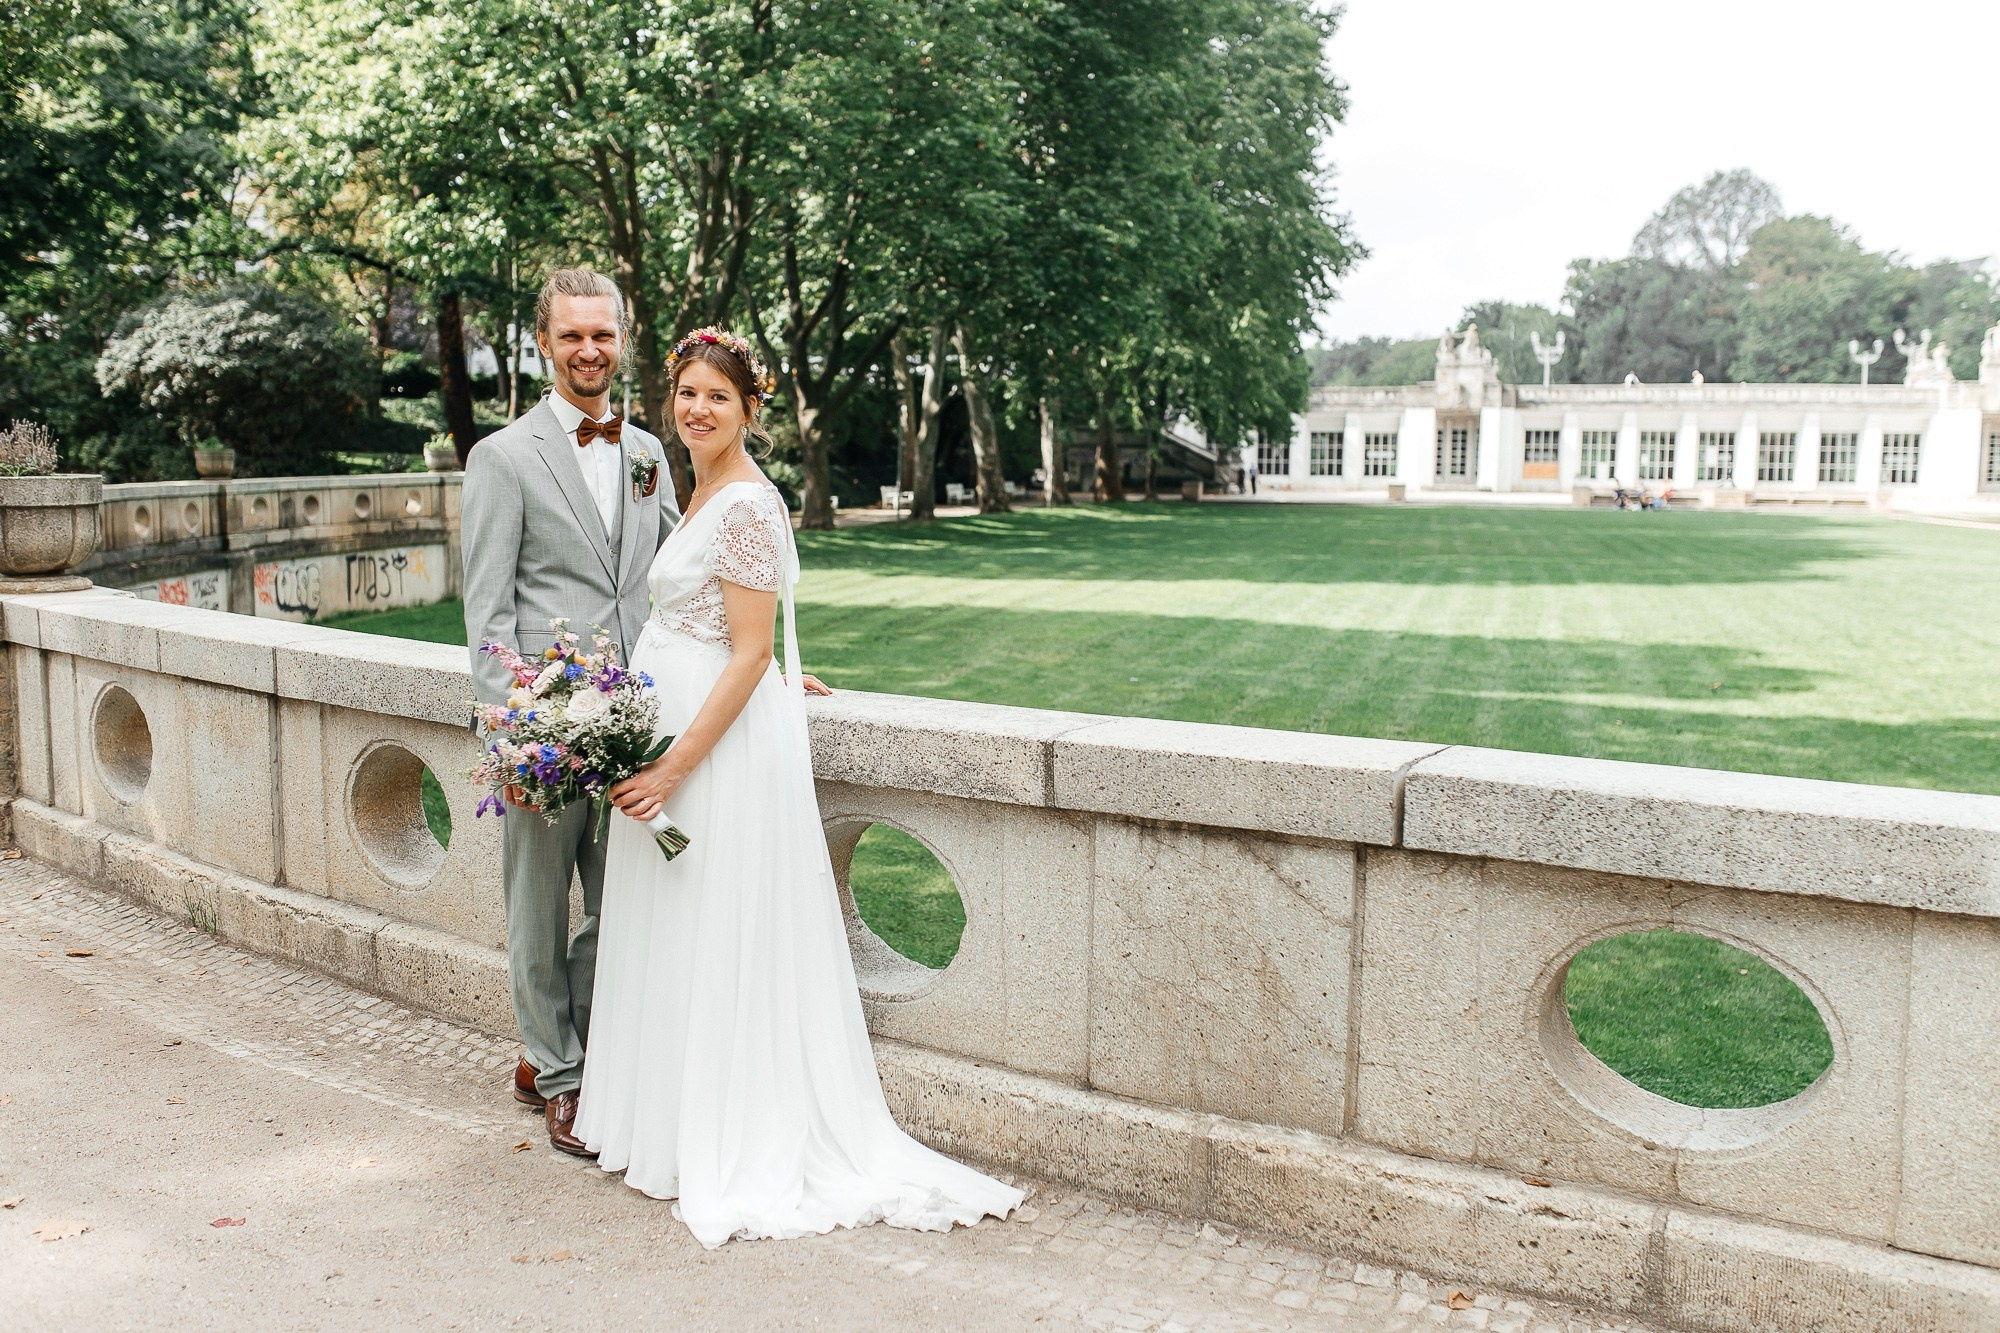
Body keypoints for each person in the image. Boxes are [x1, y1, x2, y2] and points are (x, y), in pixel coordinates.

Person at [574, 327, 1022, 1247]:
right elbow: (745, 635)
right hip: (678, 711)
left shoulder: (743, 505)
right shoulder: (703, 488)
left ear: (749, 411)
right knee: (677, 924)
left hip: (706, 747)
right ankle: (668, 1121)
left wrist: (670, 764)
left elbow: (741, 650)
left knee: (714, 923)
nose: (698, 410)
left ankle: (720, 1134)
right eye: (688, 393)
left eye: (719, 399)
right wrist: (782, 668)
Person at [460, 268, 680, 1156]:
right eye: (572, 335)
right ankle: (560, 1075)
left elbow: (680, 565)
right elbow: (486, 613)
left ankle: (549, 1042)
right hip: (546, 730)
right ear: (543, 343)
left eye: (604, 334)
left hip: (635, 723)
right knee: (539, 908)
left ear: (622, 339)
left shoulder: (649, 454)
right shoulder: (501, 457)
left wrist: (774, 659)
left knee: (629, 901)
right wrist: (515, 728)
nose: (589, 350)